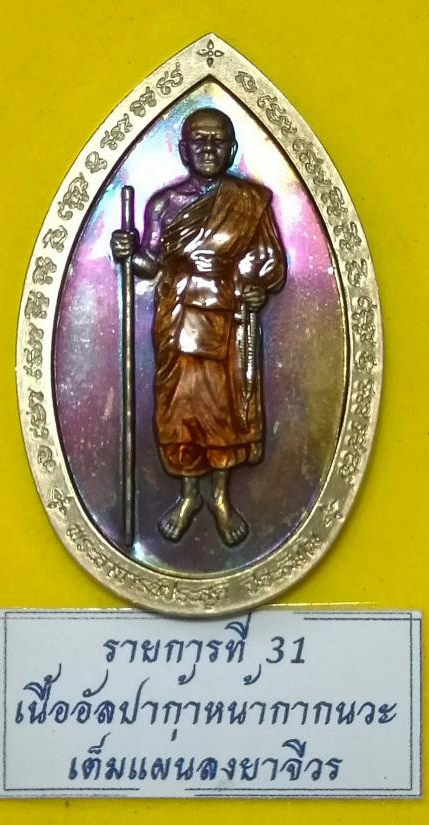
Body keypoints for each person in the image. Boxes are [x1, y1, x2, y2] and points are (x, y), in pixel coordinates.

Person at [111, 107, 286, 546]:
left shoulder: (249, 202)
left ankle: (221, 498)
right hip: (177, 319)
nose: (208, 148)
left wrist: (257, 288)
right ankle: (189, 496)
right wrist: (128, 252)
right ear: (184, 149)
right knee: (180, 408)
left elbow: (271, 261)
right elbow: (152, 265)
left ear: (232, 149)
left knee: (222, 411)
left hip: (228, 320)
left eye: (218, 140)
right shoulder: (164, 204)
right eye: (199, 140)